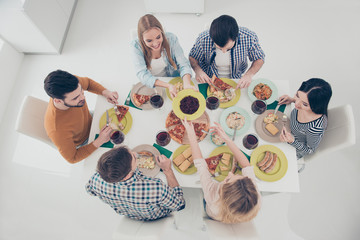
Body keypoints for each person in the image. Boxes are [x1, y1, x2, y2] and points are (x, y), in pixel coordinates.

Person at [182, 119, 261, 223]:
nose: (230, 173)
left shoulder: (211, 197)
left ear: (223, 192)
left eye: (228, 179)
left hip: (212, 213)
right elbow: (246, 166)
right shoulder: (251, 193)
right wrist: (227, 139)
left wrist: (191, 134)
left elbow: (200, 165)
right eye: (238, 175)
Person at [85, 146, 185, 221]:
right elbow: (180, 205)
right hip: (155, 216)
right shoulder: (156, 188)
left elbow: (89, 190)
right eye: (134, 157)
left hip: (129, 214)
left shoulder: (96, 179)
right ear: (128, 173)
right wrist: (167, 169)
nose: (136, 154)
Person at [44, 70, 118, 164]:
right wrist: (99, 141)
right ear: (58, 101)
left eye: (82, 92)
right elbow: (72, 158)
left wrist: (105, 92)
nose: (82, 98)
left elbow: (88, 83)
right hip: (86, 141)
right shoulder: (56, 129)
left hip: (89, 118)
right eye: (75, 98)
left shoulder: (72, 84)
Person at [189, 15, 265, 89]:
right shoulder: (203, 39)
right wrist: (198, 71)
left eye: (228, 48)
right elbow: (193, 57)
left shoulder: (249, 37)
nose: (224, 52)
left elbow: (259, 58)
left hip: (236, 78)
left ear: (235, 37)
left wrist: (249, 75)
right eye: (219, 48)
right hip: (209, 78)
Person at [131, 14, 196, 98]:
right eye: (149, 40)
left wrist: (187, 84)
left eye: (158, 37)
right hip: (153, 83)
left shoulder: (171, 39)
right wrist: (168, 85)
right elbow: (142, 74)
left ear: (162, 32)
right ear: (141, 39)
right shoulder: (136, 46)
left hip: (172, 79)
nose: (155, 44)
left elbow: (183, 63)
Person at [278, 78, 332, 159]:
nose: (296, 103)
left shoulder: (315, 127)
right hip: (286, 130)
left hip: (293, 147)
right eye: (297, 95)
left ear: (315, 106)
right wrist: (292, 99)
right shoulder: (301, 103)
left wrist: (292, 141)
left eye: (304, 104)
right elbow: (301, 100)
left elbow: (310, 150)